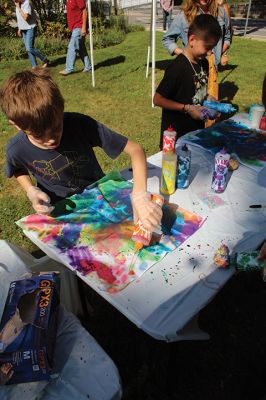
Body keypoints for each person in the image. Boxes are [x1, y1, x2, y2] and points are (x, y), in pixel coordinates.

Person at [0, 69, 162, 232]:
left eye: (57, 127)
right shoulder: (17, 148)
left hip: (101, 197)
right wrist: (31, 190)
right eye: (38, 134)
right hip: (62, 212)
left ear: (61, 109)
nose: (51, 139)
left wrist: (140, 195)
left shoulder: (80, 124)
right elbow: (18, 168)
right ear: (15, 123)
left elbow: (135, 150)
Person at [154, 14, 222, 148]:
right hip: (175, 136)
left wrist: (210, 100)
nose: (209, 52)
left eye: (212, 48)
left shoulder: (203, 63)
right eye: (207, 47)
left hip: (195, 132)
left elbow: (198, 90)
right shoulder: (177, 68)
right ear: (192, 40)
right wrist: (187, 108)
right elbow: (157, 99)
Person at [162, 0, 231, 101]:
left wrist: (219, 53)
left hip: (212, 70)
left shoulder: (221, 12)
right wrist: (184, 56)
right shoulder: (184, 15)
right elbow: (167, 39)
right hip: (193, 71)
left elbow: (228, 37)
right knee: (192, 103)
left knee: (209, 109)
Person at [59, 0, 91, 76]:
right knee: (81, 48)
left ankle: (69, 68)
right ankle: (88, 67)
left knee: (72, 46)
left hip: (79, 26)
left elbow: (84, 11)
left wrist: (83, 27)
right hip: (74, 27)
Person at [14, 0, 49, 69]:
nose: (15, 1)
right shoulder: (18, 4)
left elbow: (26, 18)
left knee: (29, 48)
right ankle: (34, 67)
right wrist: (19, 28)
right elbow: (19, 18)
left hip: (30, 28)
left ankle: (45, 60)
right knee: (28, 49)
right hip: (23, 29)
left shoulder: (27, 3)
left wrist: (18, 8)